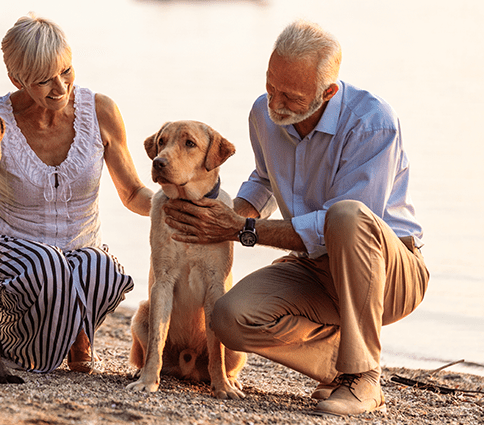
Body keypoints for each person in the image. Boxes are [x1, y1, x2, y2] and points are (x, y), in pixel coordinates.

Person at [162, 20, 429, 416]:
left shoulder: (373, 123)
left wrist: (242, 230)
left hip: (390, 274)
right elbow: (265, 179)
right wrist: (224, 217)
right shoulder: (263, 113)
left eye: (290, 95)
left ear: (329, 92)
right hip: (315, 268)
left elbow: (345, 228)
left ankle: (364, 376)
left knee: (347, 216)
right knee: (228, 318)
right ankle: (342, 363)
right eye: (271, 86)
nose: (276, 102)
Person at [0, 13, 153, 374]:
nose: (60, 87)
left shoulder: (100, 110)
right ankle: (18, 343)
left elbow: (133, 193)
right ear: (17, 80)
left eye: (66, 71)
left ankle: (72, 332)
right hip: (14, 249)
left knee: (101, 269)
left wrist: (175, 203)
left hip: (80, 250)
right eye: (43, 81)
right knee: (50, 267)